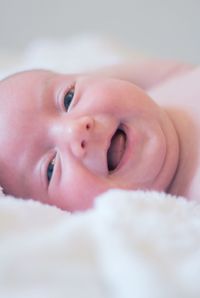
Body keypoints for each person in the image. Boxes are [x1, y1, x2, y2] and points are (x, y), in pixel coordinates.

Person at [0, 58, 199, 211]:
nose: (74, 130)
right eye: (50, 168)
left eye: (68, 98)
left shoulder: (164, 84)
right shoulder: (184, 204)